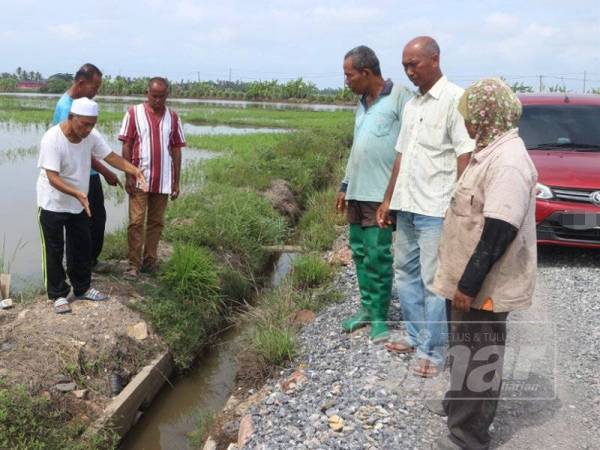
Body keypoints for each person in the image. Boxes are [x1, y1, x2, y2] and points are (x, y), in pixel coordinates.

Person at [430, 78, 537, 450]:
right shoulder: (489, 150)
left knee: (479, 358)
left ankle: (467, 437)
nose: (466, 124)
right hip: (467, 278)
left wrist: (468, 285)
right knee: (465, 349)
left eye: (470, 117)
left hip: (485, 285)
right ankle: (458, 407)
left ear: (487, 116)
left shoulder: (508, 161)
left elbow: (499, 231)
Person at [376, 36, 474, 376]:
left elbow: (465, 154)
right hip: (407, 204)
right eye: (404, 65)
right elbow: (401, 155)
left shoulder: (455, 100)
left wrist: (458, 204)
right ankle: (417, 337)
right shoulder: (412, 105)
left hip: (436, 208)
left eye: (413, 64)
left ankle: (432, 351)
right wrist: (389, 199)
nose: (408, 71)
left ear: (435, 59)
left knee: (434, 282)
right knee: (405, 275)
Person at [37, 98, 147, 314]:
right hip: (52, 202)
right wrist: (77, 192)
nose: (88, 129)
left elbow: (110, 157)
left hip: (79, 202)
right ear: (71, 117)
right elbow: (52, 177)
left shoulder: (91, 136)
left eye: (92, 124)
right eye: (84, 124)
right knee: (54, 248)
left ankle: (82, 287)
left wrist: (134, 170)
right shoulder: (52, 138)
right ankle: (58, 294)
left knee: (81, 245)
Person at [336, 46, 412, 342]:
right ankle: (366, 309)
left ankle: (380, 317)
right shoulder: (362, 102)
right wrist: (344, 185)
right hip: (356, 192)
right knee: (358, 252)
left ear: (366, 73)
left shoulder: (400, 97)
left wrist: (391, 197)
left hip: (381, 195)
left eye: (349, 74)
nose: (346, 80)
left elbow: (407, 147)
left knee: (378, 255)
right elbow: (357, 147)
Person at [52, 63, 121, 272]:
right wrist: (106, 170)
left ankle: (89, 261)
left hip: (87, 173)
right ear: (81, 83)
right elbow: (79, 149)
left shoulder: (80, 106)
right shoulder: (67, 108)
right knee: (83, 221)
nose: (95, 93)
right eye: (95, 87)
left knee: (94, 219)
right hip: (77, 175)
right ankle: (81, 264)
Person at [119, 77, 186, 279]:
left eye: (161, 96)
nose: (157, 100)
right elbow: (126, 145)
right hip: (140, 177)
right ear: (147, 93)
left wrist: (176, 180)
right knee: (136, 222)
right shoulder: (134, 113)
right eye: (153, 96)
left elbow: (176, 149)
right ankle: (133, 264)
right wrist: (129, 174)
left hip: (163, 179)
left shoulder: (173, 117)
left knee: (156, 222)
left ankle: (150, 261)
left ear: (167, 95)